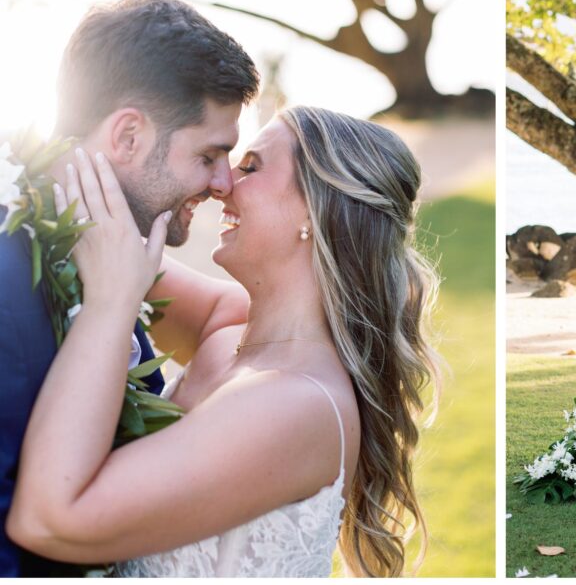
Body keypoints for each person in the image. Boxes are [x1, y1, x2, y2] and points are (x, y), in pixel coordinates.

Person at [7, 106, 441, 577]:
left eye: (251, 166)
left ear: (317, 212)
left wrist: (111, 304)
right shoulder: (228, 324)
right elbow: (93, 228)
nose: (222, 184)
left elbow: (50, 521)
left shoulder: (297, 404)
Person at [0, 0, 259, 576]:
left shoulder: (111, 253)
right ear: (127, 138)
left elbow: (237, 315)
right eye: (210, 154)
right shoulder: (8, 269)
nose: (223, 184)